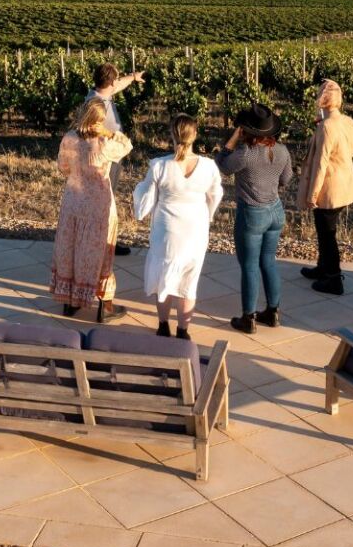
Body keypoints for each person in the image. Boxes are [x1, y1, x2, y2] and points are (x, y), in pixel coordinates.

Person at [133, 114, 223, 340]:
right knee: (189, 281)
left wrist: (139, 195)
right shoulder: (209, 166)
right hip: (196, 229)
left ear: (172, 135)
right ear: (195, 135)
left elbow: (146, 196)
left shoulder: (159, 165)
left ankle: (163, 326)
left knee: (164, 276)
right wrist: (208, 214)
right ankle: (183, 330)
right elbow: (215, 195)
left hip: (167, 230)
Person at [50, 99, 133, 321]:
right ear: (99, 120)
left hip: (73, 203)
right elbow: (127, 145)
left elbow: (63, 167)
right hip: (99, 206)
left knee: (71, 249)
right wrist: (109, 132)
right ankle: (105, 307)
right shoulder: (104, 142)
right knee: (101, 254)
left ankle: (70, 302)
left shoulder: (69, 138)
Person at [216, 104, 292, 333]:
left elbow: (222, 165)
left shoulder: (245, 154)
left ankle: (248, 318)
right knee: (268, 262)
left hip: (252, 213)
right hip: (275, 211)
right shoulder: (282, 150)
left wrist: (230, 142)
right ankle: (273, 312)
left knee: (249, 266)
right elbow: (285, 180)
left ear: (245, 130)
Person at [297, 79, 353, 296]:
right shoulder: (348, 122)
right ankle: (323, 268)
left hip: (329, 187)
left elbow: (321, 163)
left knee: (326, 234)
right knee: (325, 230)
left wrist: (312, 194)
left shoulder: (326, 127)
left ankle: (333, 278)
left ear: (322, 100)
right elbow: (350, 151)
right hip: (344, 184)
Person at [85, 62, 145, 256]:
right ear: (110, 82)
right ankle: (104, 242)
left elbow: (119, 85)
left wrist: (133, 77)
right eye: (115, 79)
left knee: (107, 199)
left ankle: (105, 240)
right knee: (104, 200)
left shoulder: (101, 93)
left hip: (111, 155)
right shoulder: (95, 103)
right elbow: (91, 132)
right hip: (105, 158)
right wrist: (112, 137)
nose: (117, 83)